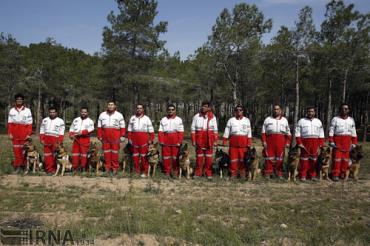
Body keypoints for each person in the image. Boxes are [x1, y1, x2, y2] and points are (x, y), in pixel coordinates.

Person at [329, 103, 358, 181]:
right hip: (337, 141)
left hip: (347, 141)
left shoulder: (351, 120)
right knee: (337, 159)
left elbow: (354, 132)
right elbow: (331, 131)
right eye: (342, 109)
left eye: (346, 109)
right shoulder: (335, 119)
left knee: (345, 160)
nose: (344, 110)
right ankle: (335, 174)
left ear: (348, 110)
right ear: (340, 110)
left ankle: (343, 174)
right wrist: (331, 141)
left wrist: (354, 142)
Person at [295, 106, 325, 181]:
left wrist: (321, 144)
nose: (310, 113)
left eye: (312, 111)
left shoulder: (318, 121)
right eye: (309, 111)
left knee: (313, 159)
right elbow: (297, 132)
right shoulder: (301, 121)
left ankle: (312, 175)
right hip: (305, 142)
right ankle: (303, 175)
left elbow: (321, 133)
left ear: (314, 112)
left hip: (315, 142)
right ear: (307, 112)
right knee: (304, 159)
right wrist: (299, 142)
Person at [261, 104, 291, 179]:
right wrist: (264, 141)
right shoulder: (268, 119)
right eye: (274, 109)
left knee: (280, 158)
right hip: (270, 141)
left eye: (277, 109)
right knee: (268, 157)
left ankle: (279, 173)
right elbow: (263, 132)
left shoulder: (284, 120)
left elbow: (288, 133)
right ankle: (268, 173)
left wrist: (287, 142)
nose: (276, 110)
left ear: (280, 110)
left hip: (281, 141)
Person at [222, 105, 252, 179]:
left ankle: (242, 174)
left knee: (242, 159)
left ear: (243, 111)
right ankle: (233, 174)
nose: (239, 111)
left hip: (243, 143)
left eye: (240, 110)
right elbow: (227, 131)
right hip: (233, 142)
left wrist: (249, 142)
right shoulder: (231, 120)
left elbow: (249, 132)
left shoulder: (247, 120)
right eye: (237, 110)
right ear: (235, 111)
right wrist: (224, 141)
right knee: (233, 159)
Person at [191, 101, 218, 179]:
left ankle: (208, 173)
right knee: (199, 157)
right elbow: (193, 129)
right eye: (202, 106)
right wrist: (193, 140)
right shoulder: (196, 116)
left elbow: (215, 130)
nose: (203, 107)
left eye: (205, 106)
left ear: (209, 108)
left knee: (208, 158)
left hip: (209, 139)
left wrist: (215, 141)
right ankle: (198, 173)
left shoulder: (213, 117)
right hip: (199, 139)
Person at [97, 101, 126, 175]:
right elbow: (99, 127)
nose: (110, 106)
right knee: (106, 153)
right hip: (105, 136)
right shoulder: (102, 115)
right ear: (107, 106)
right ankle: (107, 168)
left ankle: (115, 169)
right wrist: (99, 135)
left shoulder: (119, 115)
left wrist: (122, 135)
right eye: (109, 105)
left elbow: (122, 126)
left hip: (115, 135)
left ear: (115, 106)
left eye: (112, 105)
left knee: (115, 153)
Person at [7, 93, 33, 172]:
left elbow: (30, 123)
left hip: (24, 131)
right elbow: (10, 123)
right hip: (15, 131)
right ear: (15, 100)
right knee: (16, 150)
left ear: (23, 100)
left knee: (24, 150)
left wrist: (29, 134)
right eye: (17, 99)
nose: (19, 101)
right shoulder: (12, 110)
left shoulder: (27, 110)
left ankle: (24, 166)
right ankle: (17, 166)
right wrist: (10, 133)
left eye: (20, 99)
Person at [127, 104, 154, 178]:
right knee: (135, 156)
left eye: (140, 108)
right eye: (138, 108)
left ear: (143, 109)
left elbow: (151, 130)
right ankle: (136, 171)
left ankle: (144, 171)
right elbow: (129, 129)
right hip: (134, 138)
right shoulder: (132, 118)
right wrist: (129, 138)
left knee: (144, 157)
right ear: (136, 109)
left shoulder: (147, 118)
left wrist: (151, 139)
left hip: (143, 139)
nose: (139, 109)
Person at [158, 104, 184, 177]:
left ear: (175, 110)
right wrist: (161, 140)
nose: (171, 111)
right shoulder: (163, 119)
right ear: (167, 110)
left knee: (175, 157)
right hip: (166, 139)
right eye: (169, 109)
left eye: (172, 109)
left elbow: (181, 132)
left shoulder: (179, 119)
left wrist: (180, 141)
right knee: (166, 157)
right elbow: (160, 131)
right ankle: (167, 171)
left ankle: (175, 171)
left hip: (175, 139)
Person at [69, 107, 94, 173]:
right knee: (75, 154)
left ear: (87, 113)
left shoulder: (90, 121)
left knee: (84, 154)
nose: (83, 113)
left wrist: (82, 132)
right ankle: (75, 168)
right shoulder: (76, 119)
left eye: (85, 112)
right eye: (82, 112)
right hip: (76, 138)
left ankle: (83, 168)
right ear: (80, 112)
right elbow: (71, 128)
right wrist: (71, 134)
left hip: (85, 139)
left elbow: (91, 129)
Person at [40, 107, 65, 174]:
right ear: (49, 112)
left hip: (55, 139)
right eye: (51, 112)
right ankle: (48, 169)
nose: (52, 113)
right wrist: (41, 138)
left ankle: (54, 169)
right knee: (47, 155)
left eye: (53, 112)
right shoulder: (45, 120)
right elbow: (42, 130)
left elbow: (61, 132)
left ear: (56, 113)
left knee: (54, 155)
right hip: (46, 139)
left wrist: (60, 141)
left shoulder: (60, 121)